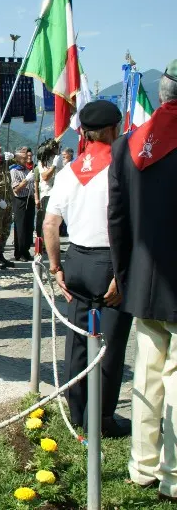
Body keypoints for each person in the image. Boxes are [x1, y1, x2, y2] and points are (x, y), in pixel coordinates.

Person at [43, 99, 133, 439]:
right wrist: (121, 272)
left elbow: (50, 224)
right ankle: (102, 419)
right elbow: (125, 224)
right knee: (109, 346)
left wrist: (55, 267)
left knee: (78, 341)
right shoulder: (122, 168)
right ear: (112, 130)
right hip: (109, 262)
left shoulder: (69, 171)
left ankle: (77, 411)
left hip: (76, 259)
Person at [108, 61, 177, 501]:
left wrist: (126, 275)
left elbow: (116, 219)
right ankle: (173, 475)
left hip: (146, 281)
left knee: (149, 372)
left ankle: (143, 465)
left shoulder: (127, 144)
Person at [10, 149, 35, 262]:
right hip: (20, 200)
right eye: (25, 158)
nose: (27, 160)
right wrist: (26, 180)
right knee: (20, 227)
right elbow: (16, 189)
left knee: (28, 227)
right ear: (19, 159)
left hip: (29, 199)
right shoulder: (14, 171)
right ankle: (19, 252)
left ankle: (26, 250)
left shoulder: (26, 169)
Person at [34, 138, 62, 239]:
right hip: (47, 194)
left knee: (56, 221)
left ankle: (53, 242)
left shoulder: (58, 159)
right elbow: (45, 177)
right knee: (46, 221)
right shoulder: (42, 162)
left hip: (58, 193)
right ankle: (43, 245)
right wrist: (54, 165)